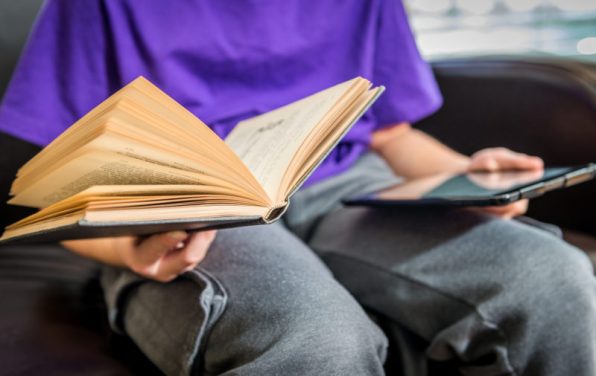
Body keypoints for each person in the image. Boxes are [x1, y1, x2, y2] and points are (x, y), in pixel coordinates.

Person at [1, 1, 595, 375]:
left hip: (346, 183)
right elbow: (64, 188)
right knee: (316, 338)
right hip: (199, 206)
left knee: (552, 276)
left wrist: (467, 173)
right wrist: (129, 247)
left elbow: (390, 135)